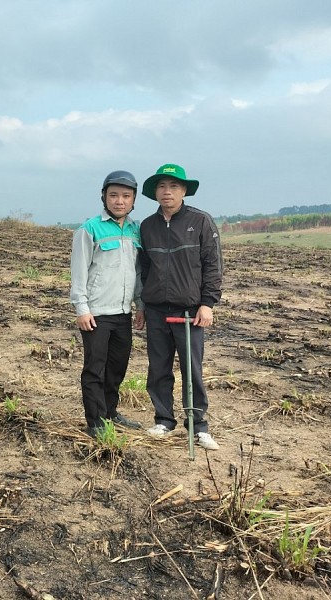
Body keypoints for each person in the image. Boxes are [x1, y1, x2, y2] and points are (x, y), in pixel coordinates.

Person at [139, 164, 223, 450]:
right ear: (155, 192)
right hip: (156, 311)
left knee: (192, 369)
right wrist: (142, 304)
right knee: (158, 368)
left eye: (173, 186)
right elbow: (144, 269)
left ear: (184, 190)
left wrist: (207, 303)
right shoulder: (147, 226)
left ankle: (198, 426)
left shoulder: (200, 221)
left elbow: (213, 265)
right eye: (162, 187)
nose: (167, 192)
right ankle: (164, 420)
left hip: (189, 312)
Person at [70, 170, 145, 439]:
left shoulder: (136, 230)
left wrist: (140, 305)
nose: (119, 201)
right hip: (96, 314)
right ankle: (95, 421)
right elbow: (78, 273)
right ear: (104, 197)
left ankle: (110, 412)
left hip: (122, 313)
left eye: (126, 196)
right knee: (95, 368)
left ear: (134, 200)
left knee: (117, 367)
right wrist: (82, 309)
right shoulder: (89, 229)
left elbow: (137, 272)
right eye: (113, 195)